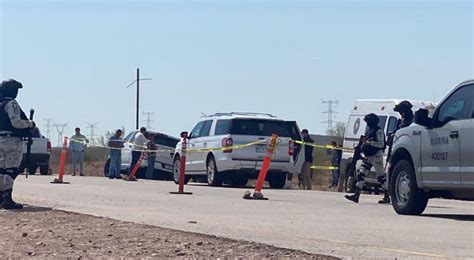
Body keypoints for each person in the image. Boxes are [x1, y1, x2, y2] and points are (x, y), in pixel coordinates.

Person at [0, 79, 35, 209]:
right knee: (11, 169)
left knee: (1, 169)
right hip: (12, 140)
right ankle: (7, 198)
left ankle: (1, 197)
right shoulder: (11, 103)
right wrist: (30, 124)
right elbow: (16, 123)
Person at [377, 100, 416, 204]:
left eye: (401, 112)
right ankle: (387, 195)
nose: (400, 114)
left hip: (406, 152)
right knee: (388, 172)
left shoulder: (412, 121)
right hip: (395, 150)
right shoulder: (402, 120)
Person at [345, 113, 386, 203]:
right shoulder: (369, 131)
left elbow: (381, 144)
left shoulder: (379, 131)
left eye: (368, 121)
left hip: (376, 156)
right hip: (369, 156)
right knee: (361, 174)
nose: (367, 123)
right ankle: (356, 195)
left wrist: (369, 143)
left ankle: (387, 195)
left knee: (381, 178)